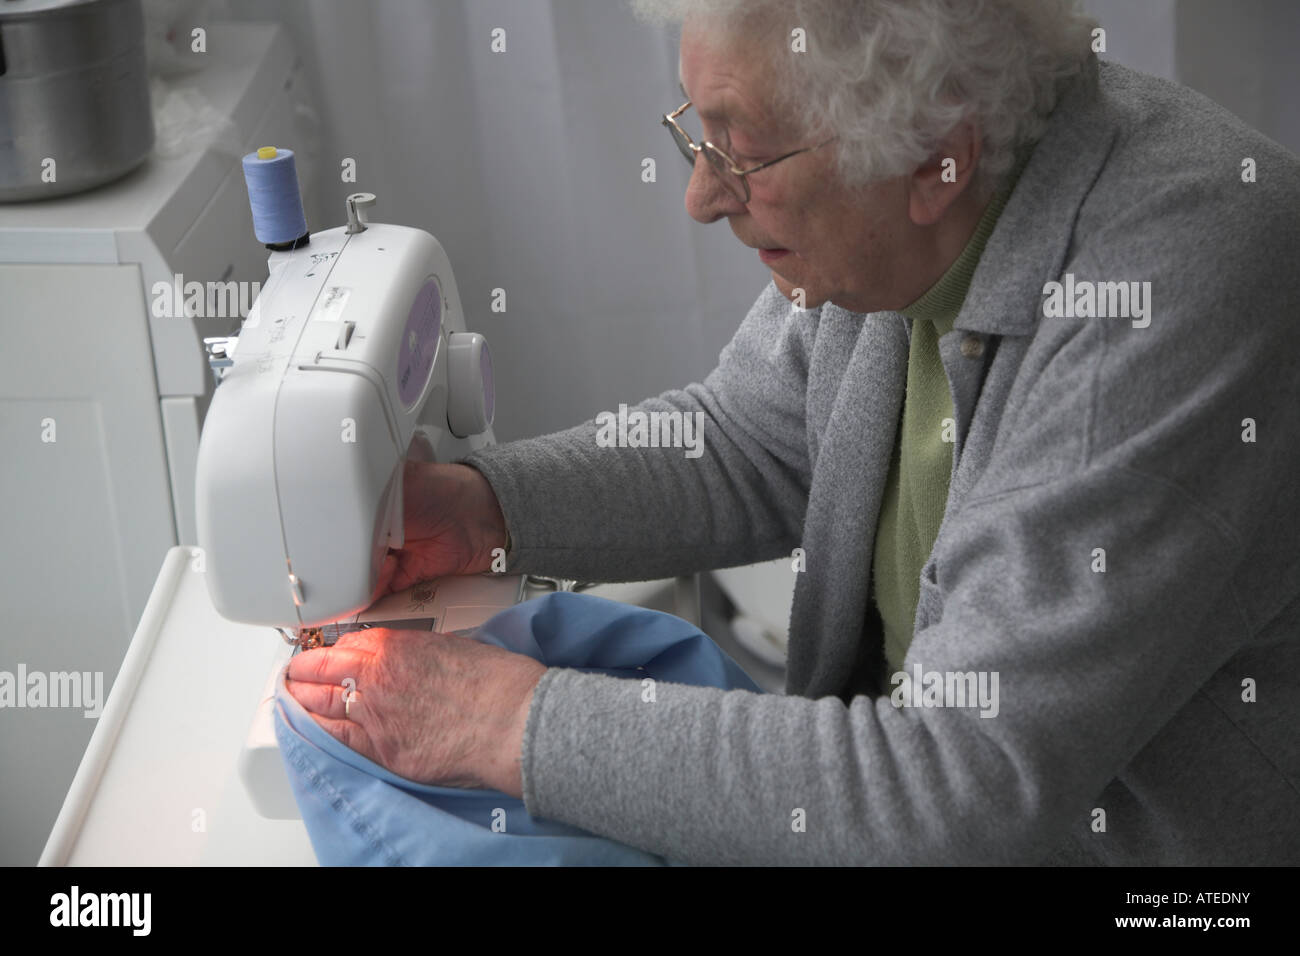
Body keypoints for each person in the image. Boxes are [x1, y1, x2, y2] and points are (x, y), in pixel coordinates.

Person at [285, 0, 1300, 865]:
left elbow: (961, 780)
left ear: (938, 159)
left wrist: (501, 721)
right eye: (698, 133)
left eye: (742, 151)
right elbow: (745, 442)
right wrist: (486, 507)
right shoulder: (909, 213)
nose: (699, 195)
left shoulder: (1173, 285)